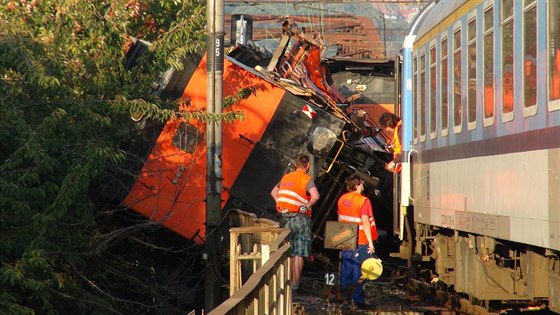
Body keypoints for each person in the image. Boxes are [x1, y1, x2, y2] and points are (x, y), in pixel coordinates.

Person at [271, 154, 320, 294]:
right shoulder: (307, 179)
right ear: (308, 166)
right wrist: (307, 205)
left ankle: (285, 286)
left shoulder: (286, 177)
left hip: (285, 218)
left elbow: (274, 192)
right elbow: (316, 196)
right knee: (299, 253)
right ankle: (295, 286)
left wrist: (281, 204)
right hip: (300, 219)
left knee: (289, 251)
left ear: (295, 164)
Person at [337, 174, 378, 308]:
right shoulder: (363, 201)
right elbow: (365, 222)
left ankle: (344, 298)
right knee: (359, 271)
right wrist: (371, 243)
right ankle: (358, 300)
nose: (363, 185)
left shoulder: (342, 199)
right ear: (357, 185)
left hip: (346, 239)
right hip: (361, 240)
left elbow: (340, 219)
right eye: (361, 182)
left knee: (346, 268)